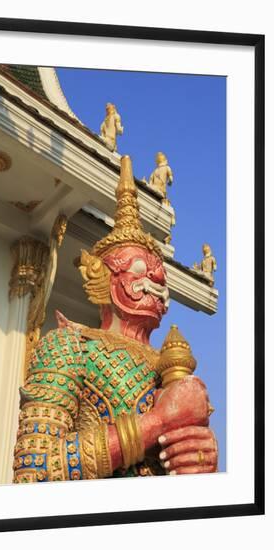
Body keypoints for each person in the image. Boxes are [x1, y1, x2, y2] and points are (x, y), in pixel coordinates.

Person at [13, 155, 218, 483]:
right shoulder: (70, 345)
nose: (154, 283)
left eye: (159, 277)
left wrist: (199, 454)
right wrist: (157, 424)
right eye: (138, 271)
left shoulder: (167, 366)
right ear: (101, 277)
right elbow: (35, 468)